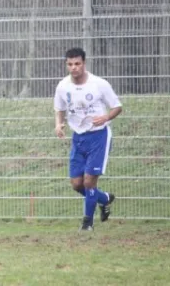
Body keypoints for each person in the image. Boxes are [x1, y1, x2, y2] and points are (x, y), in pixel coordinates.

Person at [54, 48, 121, 231]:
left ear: (84, 63)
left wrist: (106, 117)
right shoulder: (63, 86)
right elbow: (59, 108)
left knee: (89, 181)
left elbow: (117, 107)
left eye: (77, 64)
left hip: (98, 136)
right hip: (78, 137)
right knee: (77, 184)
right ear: (66, 65)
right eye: (70, 64)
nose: (74, 68)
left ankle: (87, 224)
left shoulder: (99, 84)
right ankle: (105, 199)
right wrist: (59, 124)